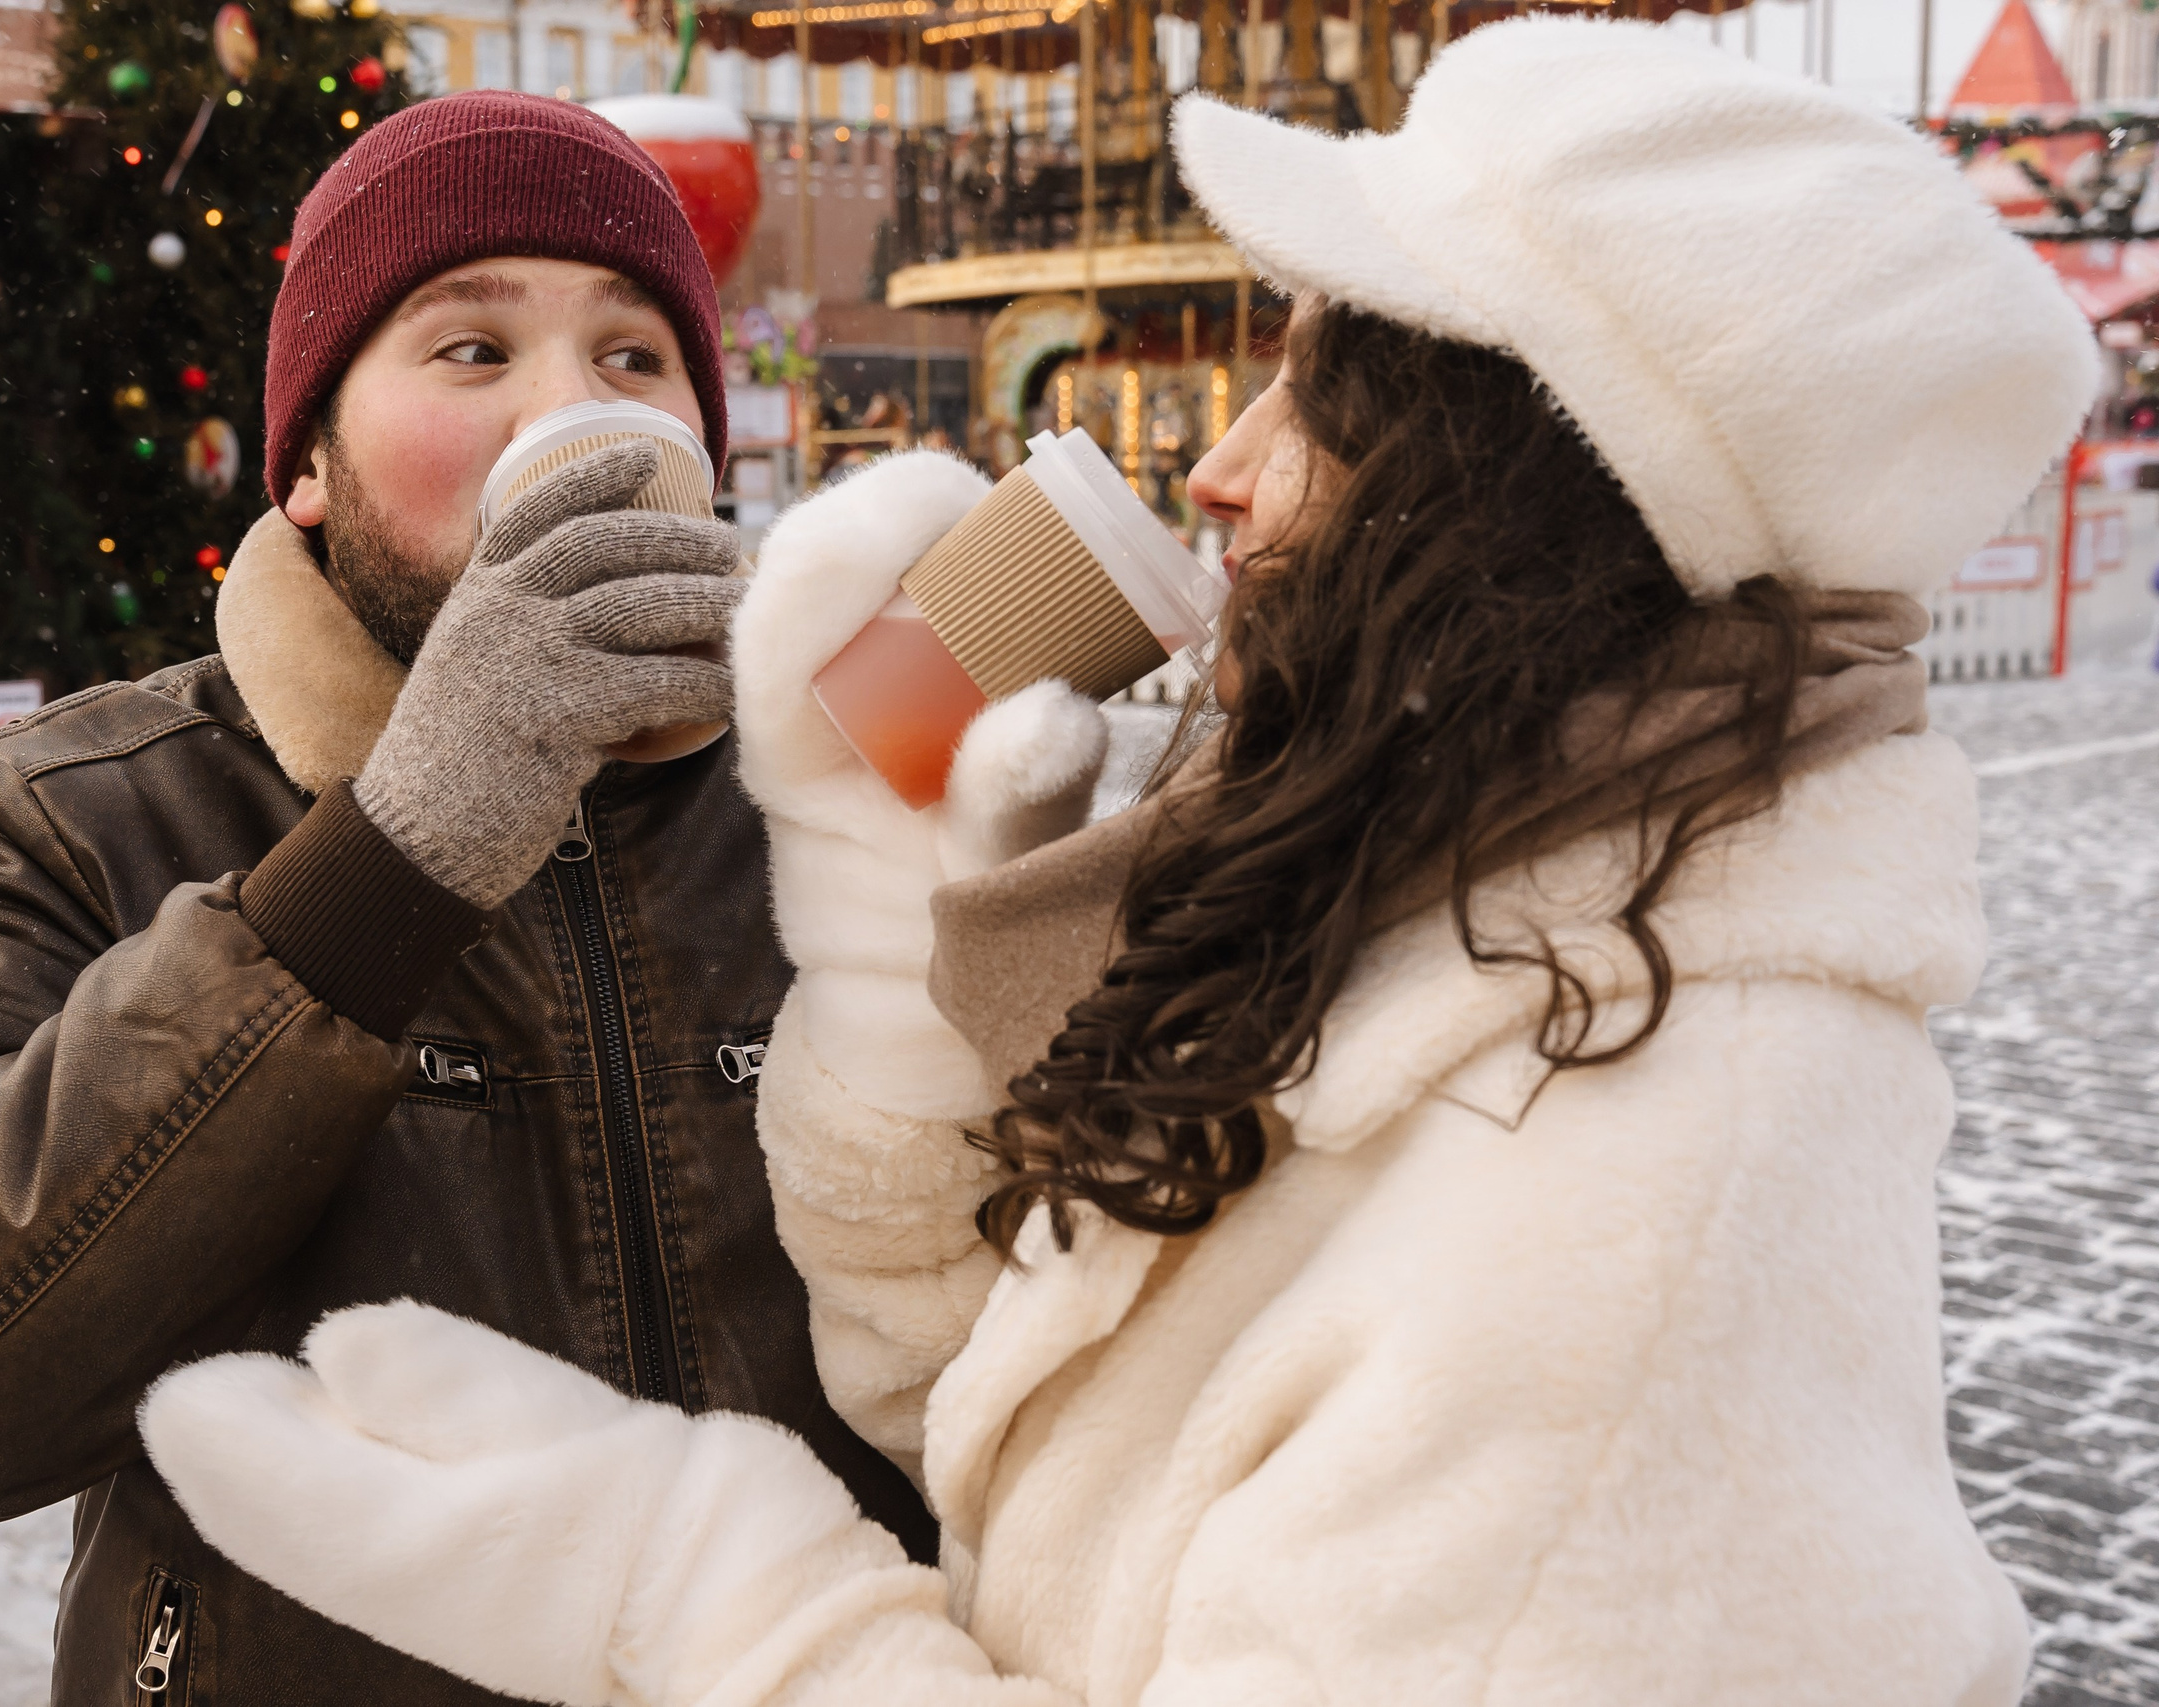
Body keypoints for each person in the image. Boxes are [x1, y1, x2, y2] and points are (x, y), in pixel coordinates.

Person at [139, 22, 2094, 1707]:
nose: (1218, 468)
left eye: (1317, 399)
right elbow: (1063, 1452)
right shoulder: (1438, 904)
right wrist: (883, 925)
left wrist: (690, 1583)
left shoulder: (1641, 1214)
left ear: (1518, 495)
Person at [0, 92, 930, 1706]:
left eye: (634, 356)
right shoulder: (82, 811)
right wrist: (394, 858)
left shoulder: (839, 787)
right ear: (306, 463)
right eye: (472, 349)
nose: (570, 409)